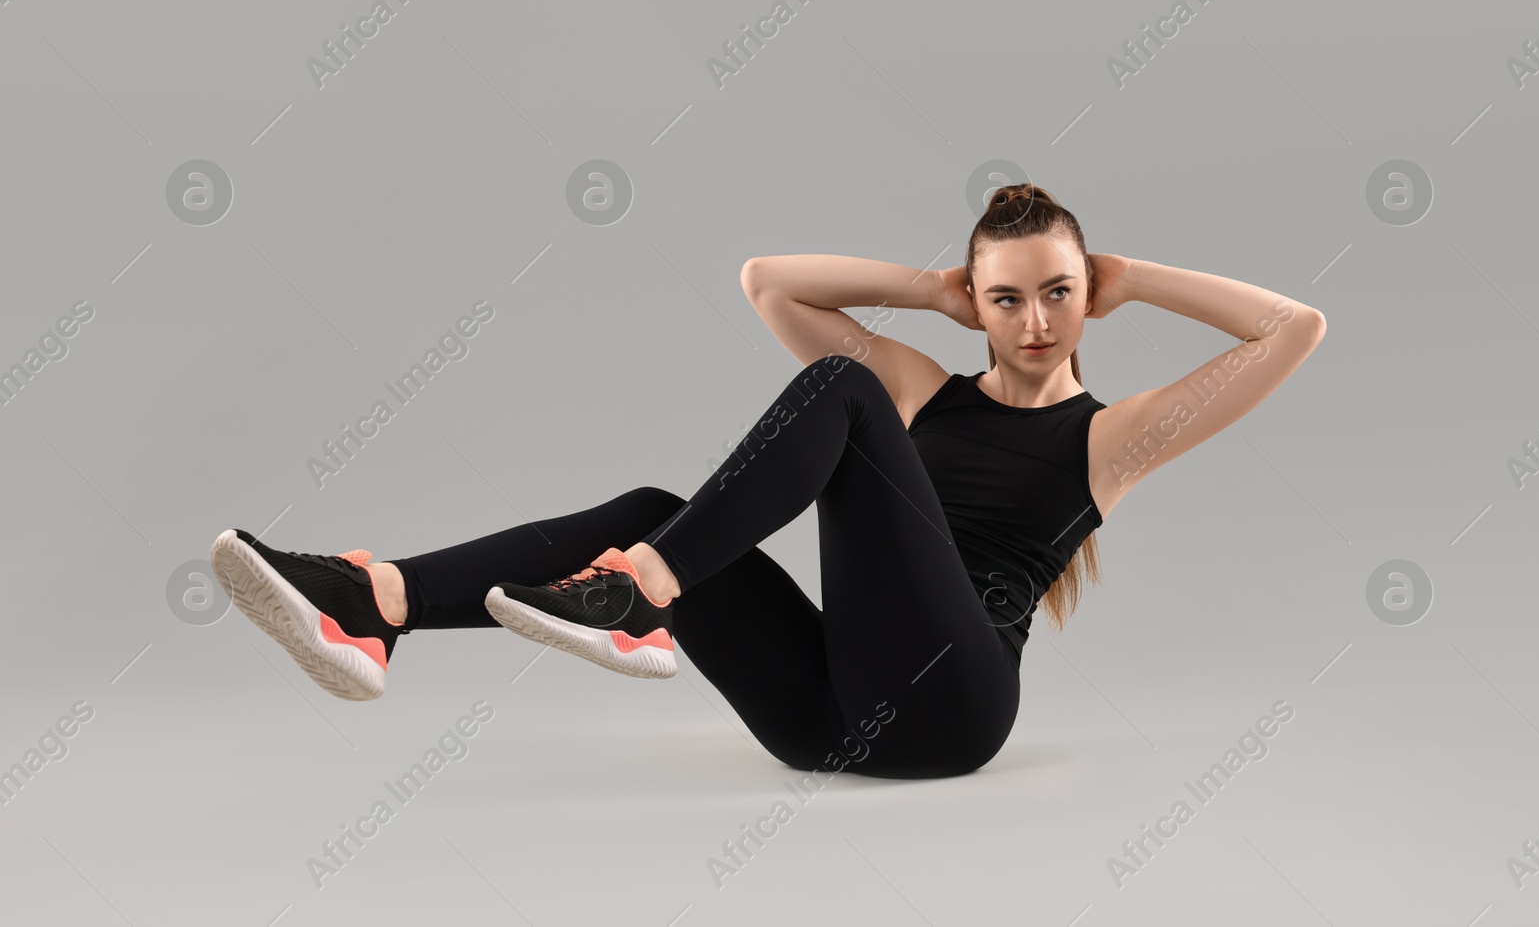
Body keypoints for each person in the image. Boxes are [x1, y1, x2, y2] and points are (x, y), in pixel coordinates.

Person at [209, 184, 1326, 779]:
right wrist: (927, 288)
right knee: (661, 506)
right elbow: (767, 283)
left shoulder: (1114, 436)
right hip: (821, 717)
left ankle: (638, 593)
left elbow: (1293, 329)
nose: (1035, 321)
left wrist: (1135, 276)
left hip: (957, 706)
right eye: (1003, 298)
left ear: (1088, 294)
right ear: (974, 304)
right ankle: (378, 604)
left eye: (1060, 292)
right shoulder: (923, 392)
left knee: (837, 390)